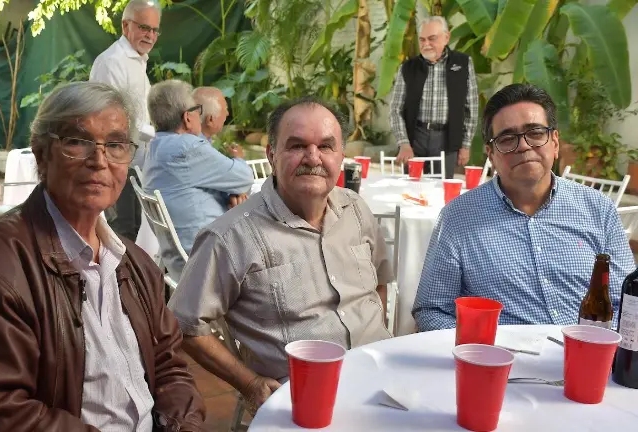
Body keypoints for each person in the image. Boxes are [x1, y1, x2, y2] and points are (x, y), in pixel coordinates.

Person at [0, 82, 205, 431]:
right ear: (41, 155)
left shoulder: (134, 264)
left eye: (115, 144)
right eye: (77, 142)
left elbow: (169, 365)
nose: (99, 160)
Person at [168, 97, 393, 414]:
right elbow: (183, 323)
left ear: (341, 156)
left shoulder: (356, 210)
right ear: (272, 154)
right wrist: (249, 383)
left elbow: (380, 281)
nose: (312, 158)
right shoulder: (231, 237)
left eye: (326, 146)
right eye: (297, 145)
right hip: (302, 402)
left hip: (383, 384)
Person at [412, 83, 634, 331]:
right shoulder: (458, 218)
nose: (524, 146)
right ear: (491, 154)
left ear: (556, 142)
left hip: (590, 357)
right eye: (507, 139)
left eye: (536, 133)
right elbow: (432, 309)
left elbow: (626, 303)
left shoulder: (598, 209)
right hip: (500, 360)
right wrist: (478, 350)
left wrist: (602, 350)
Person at [142, 79, 253, 281]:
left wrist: (232, 195)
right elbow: (244, 177)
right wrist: (239, 159)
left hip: (179, 258)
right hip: (208, 259)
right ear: (187, 117)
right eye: (196, 109)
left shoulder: (155, 147)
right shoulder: (187, 147)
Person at [90, 0, 161, 242]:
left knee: (132, 231)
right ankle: (116, 281)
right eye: (144, 28)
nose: (150, 35)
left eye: (154, 30)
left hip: (136, 163)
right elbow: (116, 121)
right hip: (115, 162)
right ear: (125, 25)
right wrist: (159, 136)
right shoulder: (112, 62)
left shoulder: (138, 60)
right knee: (121, 234)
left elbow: (142, 113)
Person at [389, 16, 479, 179]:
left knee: (441, 191)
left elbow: (471, 109)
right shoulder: (408, 68)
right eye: (422, 40)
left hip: (447, 138)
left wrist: (465, 145)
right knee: (411, 190)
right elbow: (395, 109)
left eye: (432, 39)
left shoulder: (463, 64)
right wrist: (403, 143)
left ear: (446, 37)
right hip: (416, 137)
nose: (426, 44)